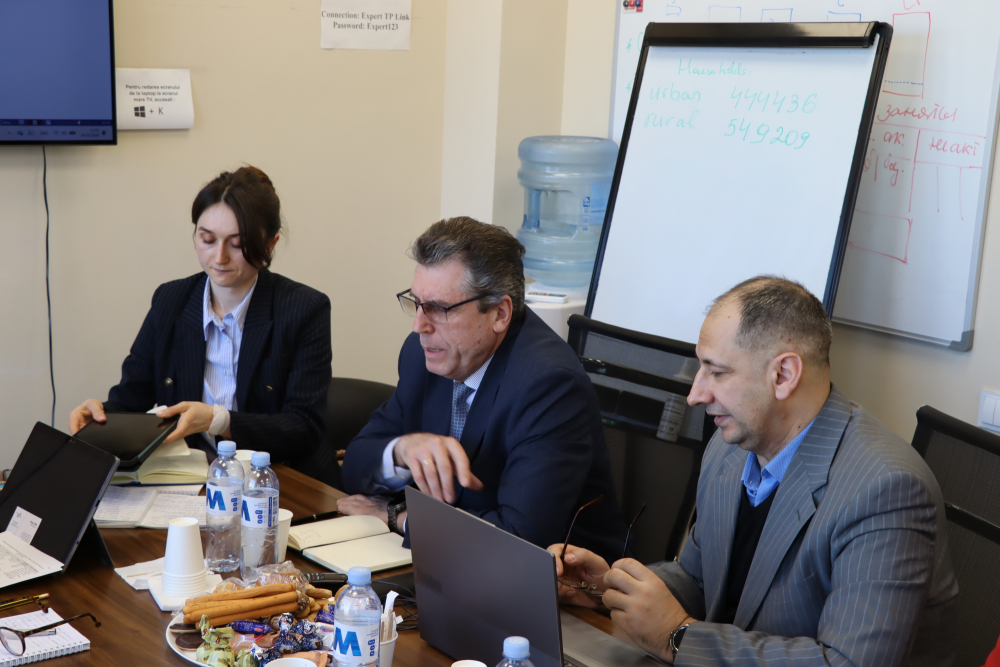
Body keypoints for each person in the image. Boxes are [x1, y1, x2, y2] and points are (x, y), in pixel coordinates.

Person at [553, 276, 958, 667]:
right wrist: (608, 591)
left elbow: (847, 662)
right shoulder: (729, 448)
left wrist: (677, 636)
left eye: (717, 372)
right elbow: (700, 580)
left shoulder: (886, 489)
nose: (695, 394)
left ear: (783, 375)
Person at [338, 216, 625, 563]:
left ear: (500, 313)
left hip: (558, 588)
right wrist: (401, 450)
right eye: (417, 302)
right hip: (450, 563)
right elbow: (354, 465)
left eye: (438, 308)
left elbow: (519, 540)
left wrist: (397, 517)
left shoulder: (549, 386)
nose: (419, 325)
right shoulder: (425, 354)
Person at [69, 166, 337, 485]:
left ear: (271, 243)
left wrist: (217, 419)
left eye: (236, 244)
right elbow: (131, 400)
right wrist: (100, 415)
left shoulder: (303, 309)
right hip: (197, 478)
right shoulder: (171, 300)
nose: (219, 257)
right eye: (207, 239)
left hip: (282, 480)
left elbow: (304, 428)